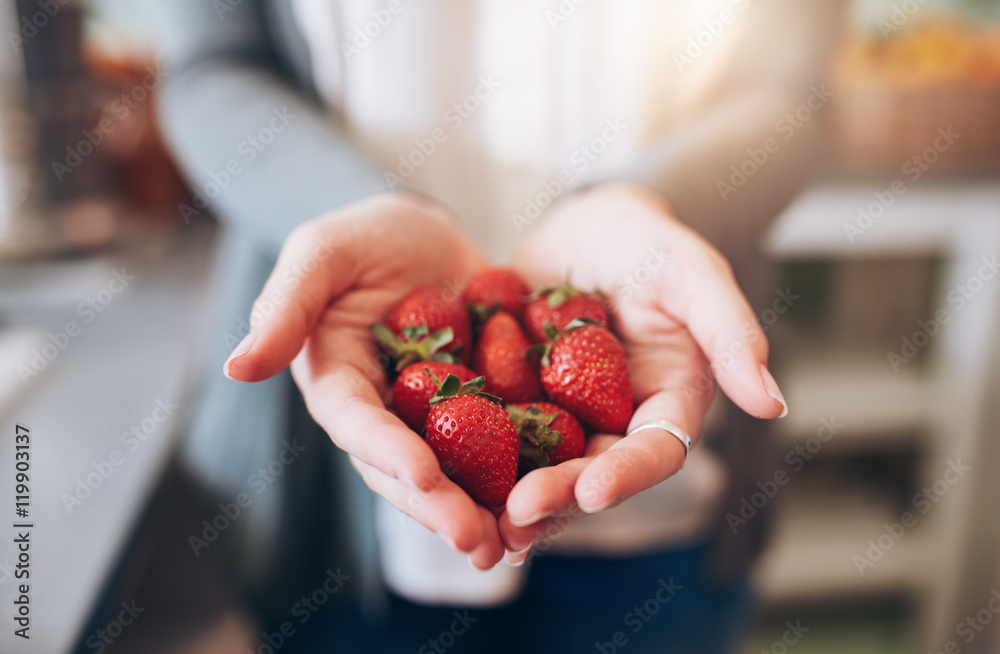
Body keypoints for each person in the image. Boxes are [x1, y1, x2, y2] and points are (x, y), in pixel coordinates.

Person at [154, 1, 844, 651]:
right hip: (331, 514)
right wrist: (341, 206)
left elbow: (792, 95)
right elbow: (212, 68)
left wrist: (654, 201)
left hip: (672, 503)